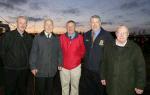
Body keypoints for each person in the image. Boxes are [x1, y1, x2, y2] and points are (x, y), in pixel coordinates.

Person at [101, 25, 146, 95]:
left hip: (128, 87)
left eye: (124, 33)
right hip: (111, 85)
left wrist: (140, 85)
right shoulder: (108, 46)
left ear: (128, 34)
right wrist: (103, 76)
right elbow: (103, 62)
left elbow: (140, 68)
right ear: (116, 34)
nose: (121, 35)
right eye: (119, 32)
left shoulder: (135, 48)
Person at [80, 15, 113, 95]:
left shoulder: (107, 36)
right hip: (87, 69)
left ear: (100, 23)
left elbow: (111, 54)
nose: (94, 24)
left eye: (96, 22)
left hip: (100, 71)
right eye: (92, 22)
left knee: (100, 91)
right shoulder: (86, 35)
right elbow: (83, 49)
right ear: (90, 23)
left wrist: (107, 71)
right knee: (89, 90)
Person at [0, 16, 33, 95]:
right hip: (11, 70)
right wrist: (7, 63)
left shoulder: (29, 37)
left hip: (24, 70)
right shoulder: (8, 35)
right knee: (10, 90)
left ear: (26, 25)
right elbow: (2, 51)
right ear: (17, 23)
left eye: (24, 23)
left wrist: (28, 65)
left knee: (22, 90)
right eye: (20, 23)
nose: (22, 25)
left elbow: (31, 52)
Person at [29, 18, 62, 95]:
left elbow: (59, 52)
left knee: (50, 91)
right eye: (47, 24)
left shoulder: (56, 39)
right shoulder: (37, 38)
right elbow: (33, 52)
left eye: (50, 25)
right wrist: (33, 67)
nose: (49, 26)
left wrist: (60, 63)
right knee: (40, 91)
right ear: (44, 26)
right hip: (40, 70)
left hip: (52, 70)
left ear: (53, 26)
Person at [59, 20, 85, 95]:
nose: (70, 28)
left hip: (76, 67)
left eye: (72, 26)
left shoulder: (80, 37)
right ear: (66, 27)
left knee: (75, 86)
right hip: (63, 67)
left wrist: (77, 58)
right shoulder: (61, 37)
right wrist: (59, 63)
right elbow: (58, 51)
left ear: (75, 27)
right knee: (64, 86)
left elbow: (83, 50)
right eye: (68, 26)